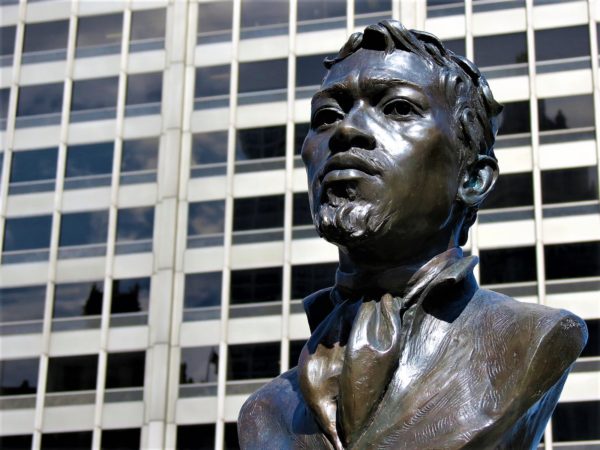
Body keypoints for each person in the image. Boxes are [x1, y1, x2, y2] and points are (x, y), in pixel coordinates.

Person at [237, 20, 587, 450]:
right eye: (327, 116)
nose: (346, 131)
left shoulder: (531, 340)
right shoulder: (265, 412)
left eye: (398, 108)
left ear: (473, 178)